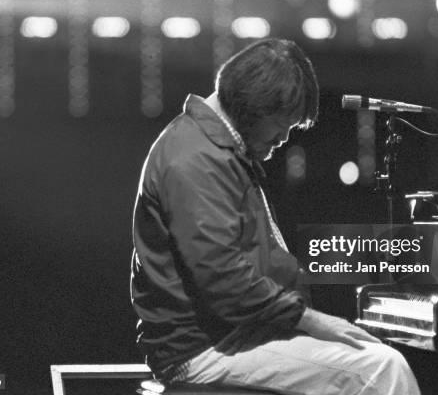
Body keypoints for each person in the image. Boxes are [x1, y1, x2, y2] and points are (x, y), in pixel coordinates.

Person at [130, 38, 420, 395]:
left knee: (367, 352)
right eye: (281, 124)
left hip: (233, 333)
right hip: (204, 350)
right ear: (251, 108)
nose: (284, 138)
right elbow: (223, 280)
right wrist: (313, 321)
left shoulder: (216, 149)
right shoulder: (194, 160)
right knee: (383, 369)